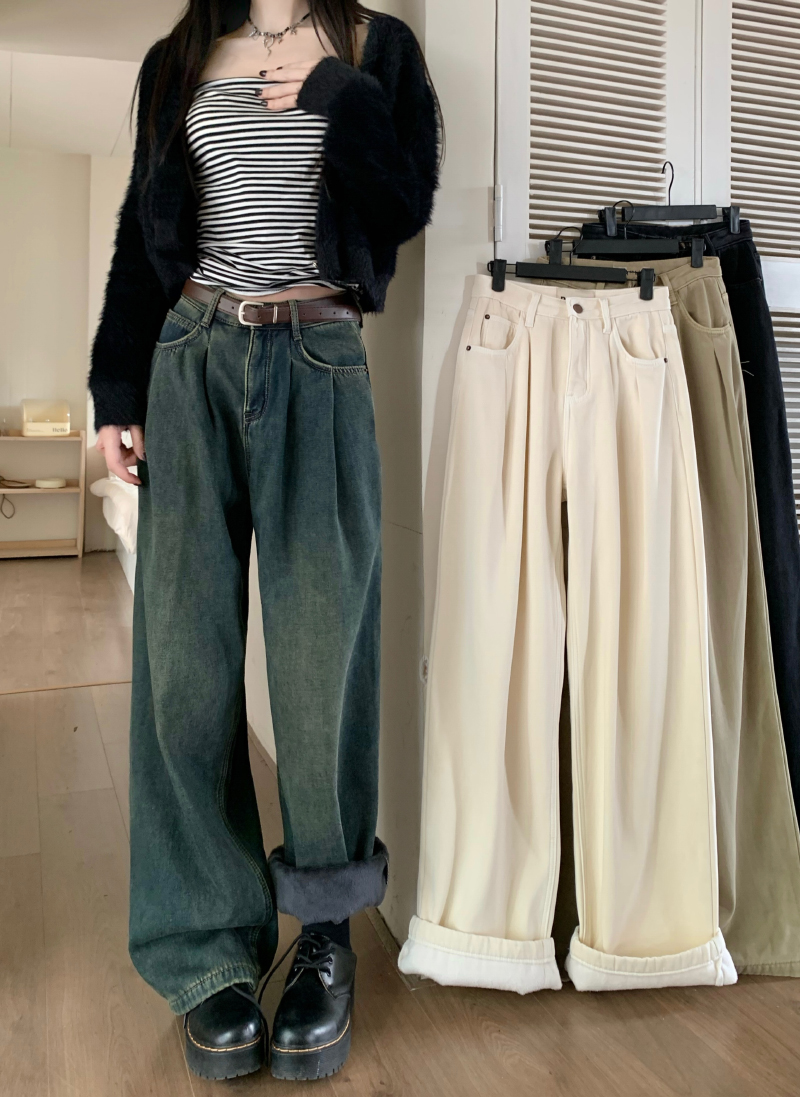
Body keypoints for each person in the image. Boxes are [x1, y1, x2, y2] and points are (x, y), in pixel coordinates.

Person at [89, 0, 441, 1081]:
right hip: (191, 357)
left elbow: (401, 204)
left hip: (320, 361)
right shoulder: (180, 57)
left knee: (321, 665)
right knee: (184, 666)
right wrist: (115, 388)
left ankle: (325, 934)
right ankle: (208, 950)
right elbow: (141, 232)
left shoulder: (375, 50)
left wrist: (338, 97)